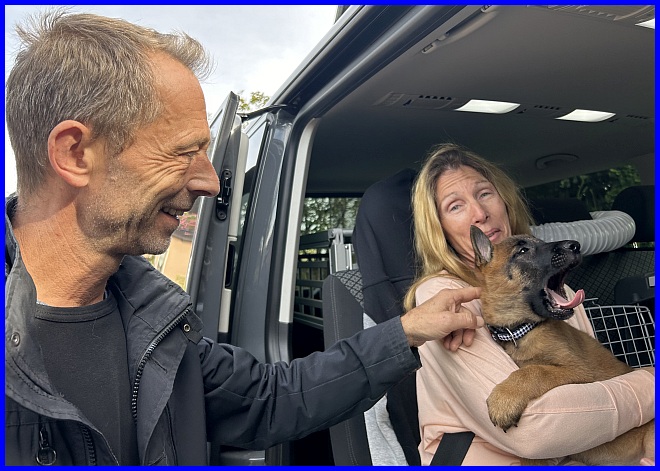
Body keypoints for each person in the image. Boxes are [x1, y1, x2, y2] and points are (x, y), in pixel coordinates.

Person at [4, 10, 485, 466]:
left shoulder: (151, 319)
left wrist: (406, 332)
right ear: (75, 153)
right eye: (184, 152)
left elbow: (271, 398)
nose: (210, 182)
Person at [404, 143, 655, 466]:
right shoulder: (441, 298)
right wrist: (651, 384)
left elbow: (585, 399)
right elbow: (535, 430)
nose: (480, 213)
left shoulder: (555, 293)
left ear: (505, 201)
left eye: (485, 193)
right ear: (439, 228)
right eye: (455, 206)